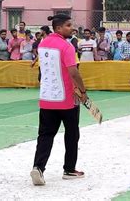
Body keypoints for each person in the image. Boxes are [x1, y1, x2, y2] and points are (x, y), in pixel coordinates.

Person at [31, 14, 88, 186]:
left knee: (45, 135)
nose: (72, 28)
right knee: (72, 134)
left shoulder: (43, 43)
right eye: (68, 25)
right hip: (67, 99)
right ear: (58, 28)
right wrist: (83, 90)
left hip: (47, 98)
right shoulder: (67, 46)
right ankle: (69, 169)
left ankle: (38, 167)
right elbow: (73, 72)